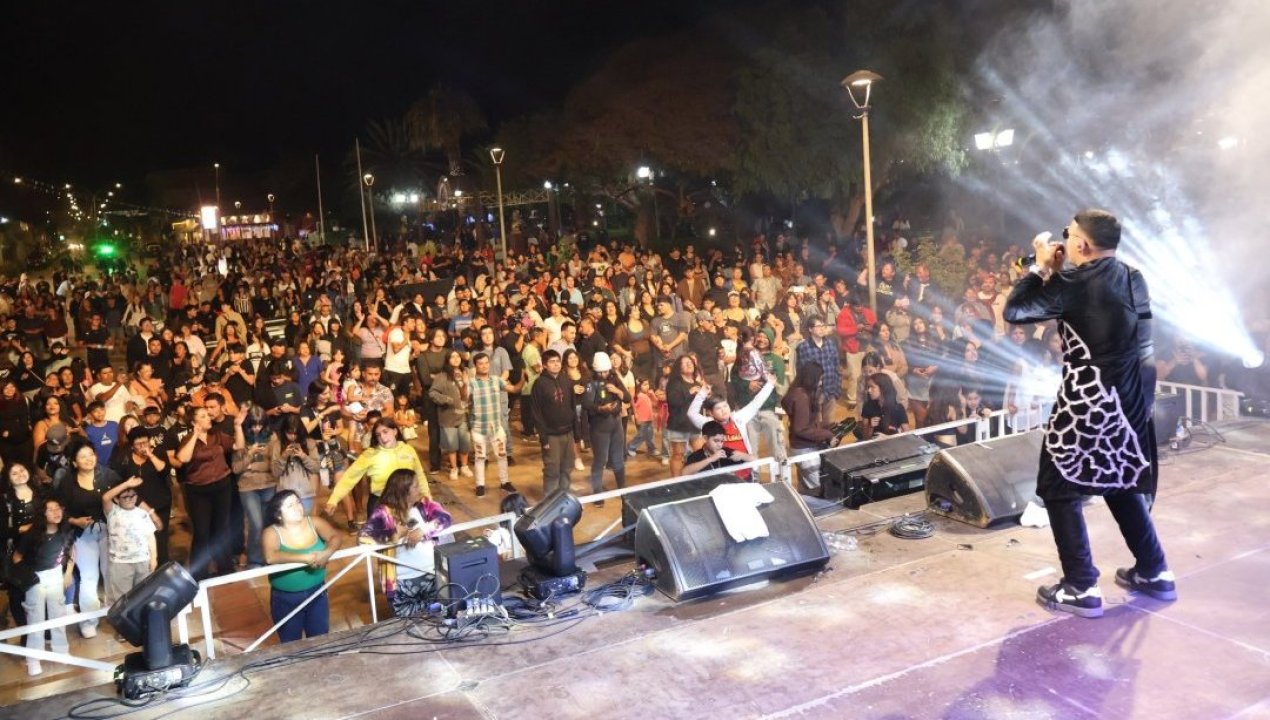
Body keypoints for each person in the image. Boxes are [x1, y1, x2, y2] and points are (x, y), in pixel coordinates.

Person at [1004, 210, 1174, 618]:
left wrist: (1040, 268)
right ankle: (1155, 571)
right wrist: (1143, 404)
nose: (1065, 240)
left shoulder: (1072, 284)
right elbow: (1145, 347)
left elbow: (1016, 311)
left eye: (1069, 234)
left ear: (1080, 244)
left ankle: (1080, 585)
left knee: (1057, 487)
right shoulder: (1134, 277)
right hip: (1129, 400)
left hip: (1086, 402)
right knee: (1120, 480)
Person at [357, 469, 452, 616]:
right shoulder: (383, 513)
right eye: (415, 486)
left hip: (431, 574)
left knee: (438, 618)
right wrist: (394, 535)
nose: (420, 489)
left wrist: (423, 530)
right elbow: (363, 539)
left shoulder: (424, 504)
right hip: (402, 582)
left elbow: (446, 518)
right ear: (404, 490)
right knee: (406, 624)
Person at [52, 437, 121, 637]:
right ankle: (89, 620)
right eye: (82, 456)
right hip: (83, 535)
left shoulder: (108, 475)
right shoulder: (68, 482)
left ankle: (118, 617)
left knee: (112, 574)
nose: (89, 459)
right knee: (89, 577)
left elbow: (125, 495)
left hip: (109, 531)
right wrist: (75, 521)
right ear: (74, 462)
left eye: (91, 454)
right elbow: (59, 511)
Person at [174, 404, 247, 580]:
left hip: (222, 486)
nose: (209, 418)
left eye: (208, 415)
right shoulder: (188, 439)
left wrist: (238, 426)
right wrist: (195, 435)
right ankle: (199, 574)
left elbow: (239, 446)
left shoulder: (217, 435)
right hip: (198, 491)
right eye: (203, 416)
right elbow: (183, 458)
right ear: (194, 422)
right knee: (202, 532)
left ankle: (225, 568)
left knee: (221, 529)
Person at [261, 490, 344, 643]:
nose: (297, 507)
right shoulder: (271, 532)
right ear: (279, 515)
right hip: (286, 599)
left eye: (298, 502)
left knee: (320, 639)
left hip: (317, 593)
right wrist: (305, 558)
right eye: (290, 505)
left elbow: (335, 536)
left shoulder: (314, 522)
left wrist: (327, 552)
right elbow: (270, 556)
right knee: (291, 643)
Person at [11, 497, 75, 676]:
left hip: (56, 574)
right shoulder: (33, 534)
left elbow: (71, 549)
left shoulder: (65, 530)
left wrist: (68, 572)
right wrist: (30, 578)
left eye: (58, 508)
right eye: (50, 509)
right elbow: (17, 557)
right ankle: (33, 659)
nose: (56, 512)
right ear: (43, 514)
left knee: (58, 615)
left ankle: (61, 650)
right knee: (35, 619)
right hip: (35, 577)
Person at [324, 417, 429, 522]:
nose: (382, 437)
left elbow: (419, 475)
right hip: (380, 503)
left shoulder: (408, 450)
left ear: (395, 431)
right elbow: (349, 478)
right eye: (378, 435)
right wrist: (333, 500)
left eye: (385, 432)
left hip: (407, 502)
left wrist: (427, 496)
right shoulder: (370, 454)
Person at [99, 476, 161, 602]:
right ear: (116, 499)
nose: (130, 499)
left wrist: (153, 558)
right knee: (122, 598)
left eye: (133, 495)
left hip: (142, 560)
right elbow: (105, 497)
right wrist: (127, 484)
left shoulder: (142, 513)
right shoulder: (113, 512)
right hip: (120, 562)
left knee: (143, 595)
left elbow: (150, 536)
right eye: (125, 497)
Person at [581, 352, 629, 505]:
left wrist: (617, 391)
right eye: (600, 372)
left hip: (616, 423)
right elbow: (586, 404)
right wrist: (601, 408)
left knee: (618, 458)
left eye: (606, 371)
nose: (603, 374)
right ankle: (597, 494)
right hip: (599, 426)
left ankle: (622, 490)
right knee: (600, 460)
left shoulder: (614, 378)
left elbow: (627, 397)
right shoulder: (590, 382)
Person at [782, 362, 836, 493]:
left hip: (800, 448)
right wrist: (827, 434)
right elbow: (801, 429)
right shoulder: (802, 397)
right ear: (811, 379)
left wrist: (825, 427)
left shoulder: (797, 393)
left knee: (805, 487)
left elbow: (804, 423)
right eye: (820, 379)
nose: (821, 383)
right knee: (819, 488)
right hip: (805, 450)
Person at [530, 349, 576, 497]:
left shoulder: (566, 380)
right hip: (551, 435)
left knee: (567, 468)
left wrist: (576, 432)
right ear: (544, 365)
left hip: (568, 432)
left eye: (558, 361)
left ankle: (564, 498)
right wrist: (543, 438)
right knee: (552, 470)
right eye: (552, 362)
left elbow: (572, 405)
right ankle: (549, 502)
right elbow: (536, 413)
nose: (556, 364)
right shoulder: (539, 384)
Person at [468, 352, 514, 498]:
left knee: (502, 455)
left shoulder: (496, 380)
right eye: (480, 363)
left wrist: (523, 380)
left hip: (496, 427)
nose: (484, 366)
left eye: (486, 363)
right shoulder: (471, 383)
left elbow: (513, 389)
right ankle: (480, 485)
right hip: (478, 428)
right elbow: (463, 397)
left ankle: (505, 482)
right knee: (480, 457)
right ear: (475, 366)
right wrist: (464, 381)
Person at [682, 421, 757, 477]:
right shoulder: (696, 456)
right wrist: (711, 459)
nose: (719, 445)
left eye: (722, 441)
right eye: (716, 441)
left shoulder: (725, 452)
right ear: (705, 438)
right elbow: (684, 473)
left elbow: (754, 459)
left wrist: (742, 456)